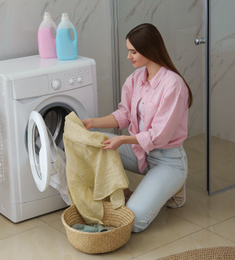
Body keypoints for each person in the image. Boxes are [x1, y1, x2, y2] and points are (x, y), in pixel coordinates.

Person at [82, 23, 193, 232]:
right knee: (91, 142)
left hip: (168, 161)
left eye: (133, 51)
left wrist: (122, 140)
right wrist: (91, 123)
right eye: (128, 51)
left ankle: (173, 184)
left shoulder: (173, 85)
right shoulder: (135, 79)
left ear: (149, 49)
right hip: (140, 153)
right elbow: (123, 115)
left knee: (133, 221)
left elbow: (160, 135)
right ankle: (126, 191)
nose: (128, 56)